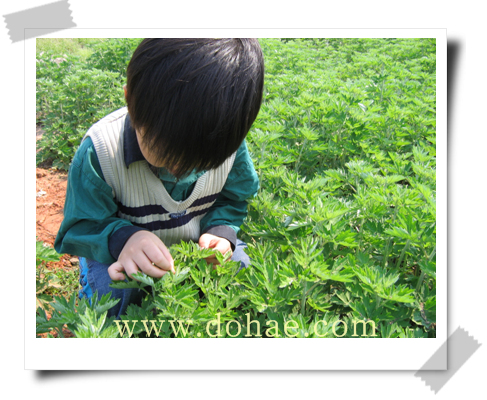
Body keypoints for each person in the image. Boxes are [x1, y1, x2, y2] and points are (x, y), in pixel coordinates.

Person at [54, 38, 264, 318]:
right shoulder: (101, 151)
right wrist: (124, 239)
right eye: (166, 155)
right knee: (116, 294)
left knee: (242, 269)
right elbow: (82, 224)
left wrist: (220, 231)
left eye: (199, 162)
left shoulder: (226, 145)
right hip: (120, 252)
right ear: (130, 102)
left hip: (193, 245)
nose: (179, 170)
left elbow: (234, 198)